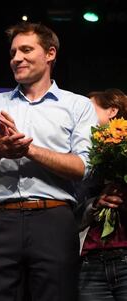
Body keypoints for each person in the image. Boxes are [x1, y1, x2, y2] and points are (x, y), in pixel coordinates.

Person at [0, 22, 98, 301]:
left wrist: (28, 149)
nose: (16, 58)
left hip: (53, 219)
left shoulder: (77, 105)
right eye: (12, 53)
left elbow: (82, 168)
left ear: (50, 54)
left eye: (26, 50)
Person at [77, 89, 127, 301]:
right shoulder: (80, 159)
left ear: (112, 111)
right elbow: (70, 214)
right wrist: (95, 204)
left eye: (89, 109)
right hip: (90, 264)